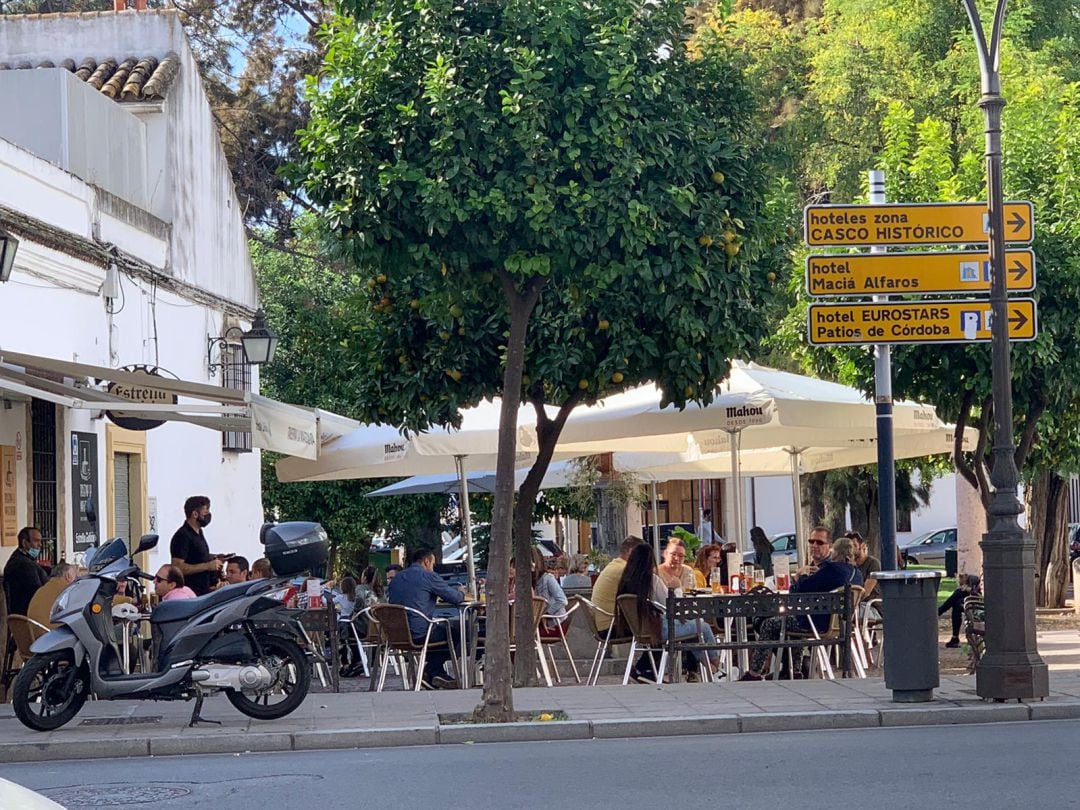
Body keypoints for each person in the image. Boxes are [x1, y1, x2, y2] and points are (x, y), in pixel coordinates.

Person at [741, 535, 863, 681]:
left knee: (769, 623)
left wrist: (801, 575)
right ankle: (792, 670)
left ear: (835, 552)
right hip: (840, 624)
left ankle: (755, 673)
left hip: (815, 622)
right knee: (790, 618)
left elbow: (799, 590)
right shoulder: (857, 574)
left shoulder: (832, 570)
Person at [616, 544, 720, 678]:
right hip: (660, 629)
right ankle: (717, 666)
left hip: (639, 629)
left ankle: (711, 668)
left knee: (693, 631)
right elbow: (672, 606)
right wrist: (676, 587)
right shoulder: (652, 581)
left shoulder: (626, 582)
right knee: (702, 626)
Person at [387, 548, 465, 689]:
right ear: (426, 561)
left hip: (396, 634)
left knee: (438, 631)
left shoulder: (396, 578)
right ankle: (432, 670)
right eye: (433, 564)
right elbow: (456, 598)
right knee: (455, 633)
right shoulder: (428, 576)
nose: (433, 567)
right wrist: (462, 592)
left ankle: (435, 673)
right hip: (420, 633)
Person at [169, 496, 222, 596]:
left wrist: (214, 558)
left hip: (203, 591)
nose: (208, 515)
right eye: (205, 512)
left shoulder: (199, 533)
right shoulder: (183, 536)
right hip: (191, 593)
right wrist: (207, 566)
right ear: (195, 514)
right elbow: (177, 567)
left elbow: (195, 556)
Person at [590, 536, 644, 633]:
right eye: (641, 554)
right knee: (661, 626)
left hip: (603, 625)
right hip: (612, 626)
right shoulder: (624, 570)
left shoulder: (614, 565)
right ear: (631, 551)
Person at [4, 526, 50, 616]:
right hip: (28, 614)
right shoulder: (23, 564)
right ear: (25, 543)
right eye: (36, 541)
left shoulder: (21, 558)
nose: (40, 545)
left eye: (40, 541)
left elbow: (41, 568)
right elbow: (38, 593)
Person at [531, 547, 569, 637]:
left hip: (554, 624)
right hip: (539, 622)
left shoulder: (547, 579)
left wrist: (546, 614)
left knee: (521, 634)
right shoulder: (531, 581)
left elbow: (562, 600)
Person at [28, 562, 76, 629]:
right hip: (53, 635)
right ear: (68, 576)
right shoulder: (67, 593)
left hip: (34, 634)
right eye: (75, 577)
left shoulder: (41, 590)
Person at [939, 574, 981, 648]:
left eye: (960, 580)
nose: (959, 582)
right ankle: (955, 638)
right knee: (956, 605)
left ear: (964, 577)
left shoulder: (973, 579)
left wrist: (967, 589)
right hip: (969, 601)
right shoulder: (968, 581)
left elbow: (975, 593)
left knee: (958, 594)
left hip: (975, 602)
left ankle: (940, 611)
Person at [848, 531, 880, 600]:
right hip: (851, 604)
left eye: (854, 545)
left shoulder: (873, 563)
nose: (851, 550)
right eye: (849, 547)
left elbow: (866, 592)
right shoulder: (847, 565)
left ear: (862, 546)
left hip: (869, 604)